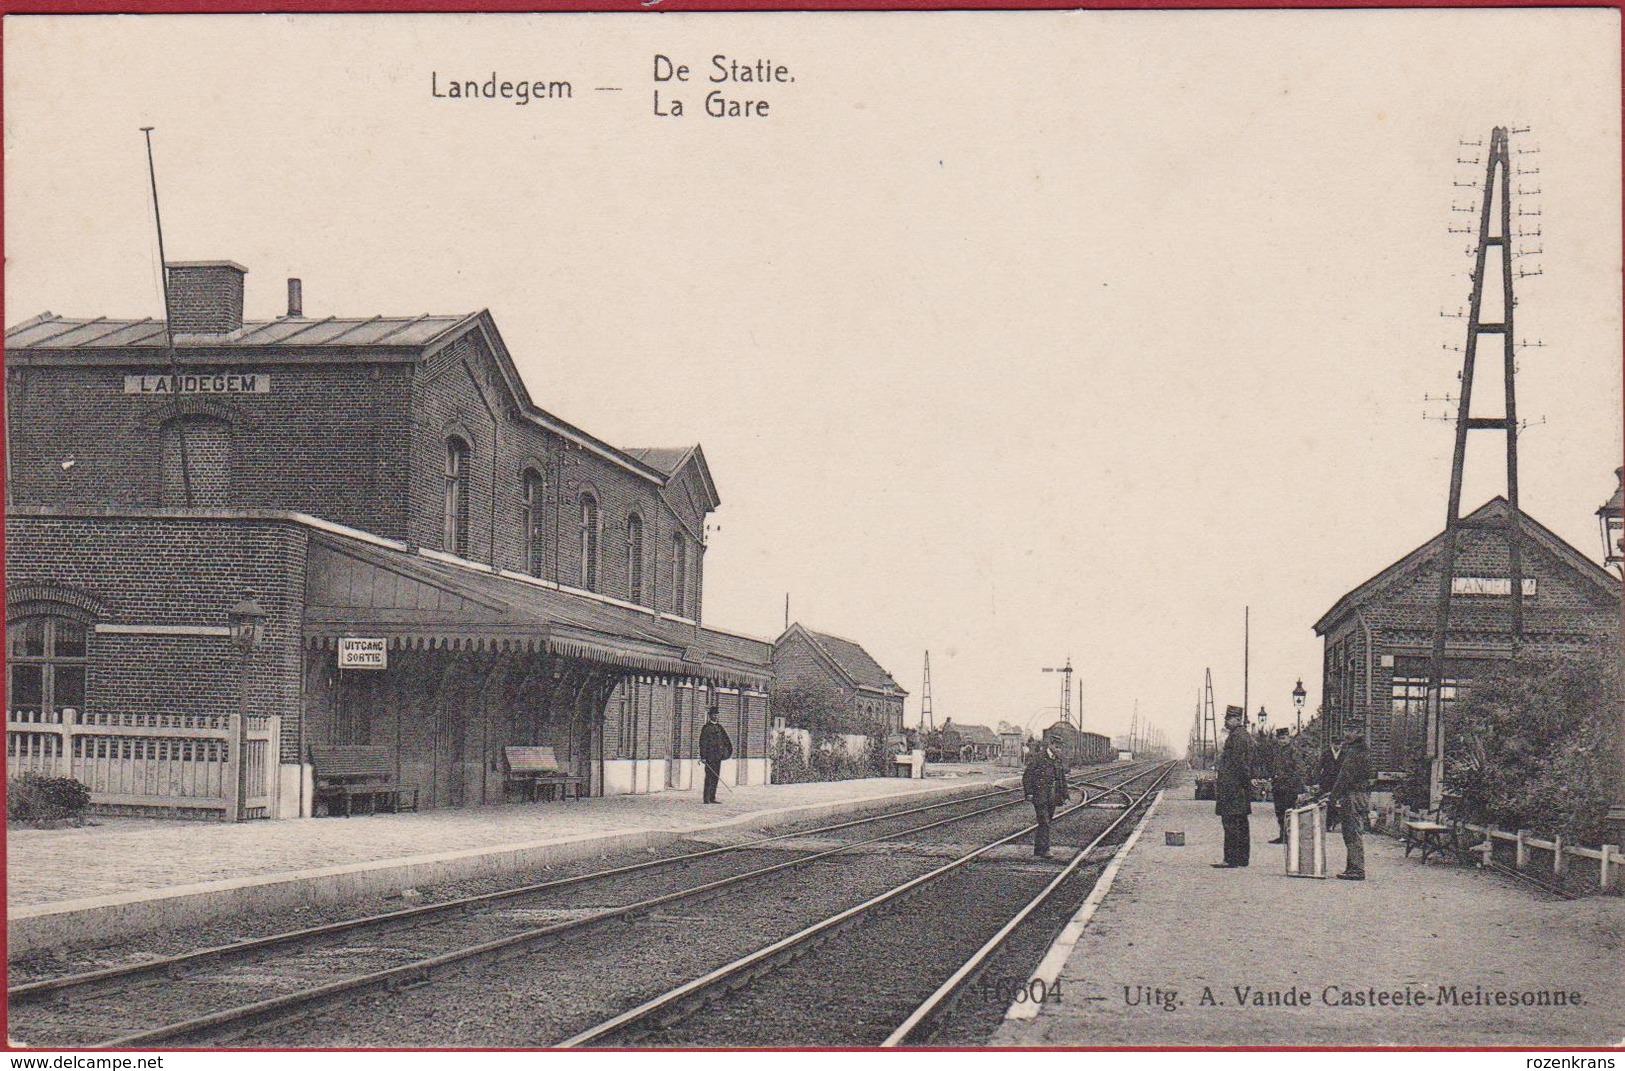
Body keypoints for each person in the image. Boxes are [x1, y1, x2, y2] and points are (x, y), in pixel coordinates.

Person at [1324, 719, 1372, 880]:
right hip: (1357, 793)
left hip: (1353, 795)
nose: (1347, 734)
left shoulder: (1356, 752)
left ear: (1360, 732)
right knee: (1351, 830)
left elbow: (1345, 776)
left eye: (1351, 730)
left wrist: (1333, 796)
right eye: (1346, 730)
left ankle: (1357, 869)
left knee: (1352, 831)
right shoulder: (1358, 749)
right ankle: (1352, 867)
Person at [1213, 707, 1253, 868]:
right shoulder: (1242, 735)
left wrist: (1240, 783)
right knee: (1241, 823)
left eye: (1228, 719)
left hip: (1233, 788)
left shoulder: (1237, 737)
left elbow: (1239, 763)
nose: (1225, 721)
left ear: (1237, 719)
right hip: (1238, 788)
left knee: (1231, 824)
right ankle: (1242, 859)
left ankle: (1231, 859)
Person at [1022, 742, 1069, 859]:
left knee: (1046, 821)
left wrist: (1064, 795)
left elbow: (1061, 778)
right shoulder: (1038, 758)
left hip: (1053, 796)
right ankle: (1045, 849)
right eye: (1057, 746)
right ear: (1051, 745)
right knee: (1044, 821)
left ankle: (1038, 849)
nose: (1059, 749)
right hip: (1040, 795)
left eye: (1060, 747)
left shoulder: (1057, 759)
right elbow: (1027, 775)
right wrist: (1029, 792)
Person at [1267, 727, 1303, 845]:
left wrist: (1293, 784)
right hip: (1278, 786)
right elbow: (1273, 767)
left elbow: (1298, 770)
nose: (1282, 741)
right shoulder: (1276, 752)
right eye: (1280, 739)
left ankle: (1290, 836)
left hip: (1289, 787)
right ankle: (1283, 835)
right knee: (1280, 812)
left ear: (1289, 738)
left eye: (1284, 738)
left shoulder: (1293, 751)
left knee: (1289, 812)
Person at [699, 705, 733, 804]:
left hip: (718, 757)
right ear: (710, 716)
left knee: (716, 777)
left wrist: (725, 752)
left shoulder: (719, 728)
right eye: (714, 715)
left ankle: (712, 797)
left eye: (717, 715)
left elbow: (726, 740)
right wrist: (703, 757)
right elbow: (703, 743)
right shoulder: (706, 728)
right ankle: (706, 798)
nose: (716, 717)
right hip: (709, 757)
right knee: (709, 777)